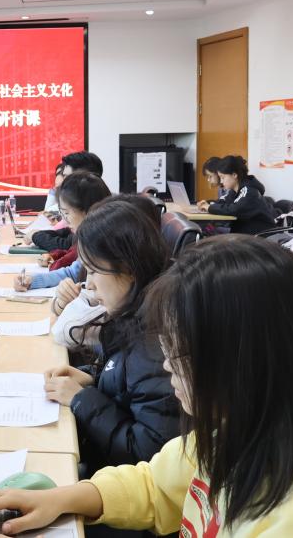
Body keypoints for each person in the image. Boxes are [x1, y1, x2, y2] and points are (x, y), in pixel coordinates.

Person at [0, 235, 293, 538]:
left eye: (179, 356)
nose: (166, 367)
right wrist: (64, 497)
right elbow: (158, 483)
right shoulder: (254, 419)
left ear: (243, 361)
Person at [40, 198, 180, 478]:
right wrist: (93, 381)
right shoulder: (137, 316)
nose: (89, 284)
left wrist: (82, 399)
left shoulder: (155, 345)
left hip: (118, 485)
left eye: (94, 271)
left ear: (128, 269)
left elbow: (147, 456)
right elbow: (132, 391)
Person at [31, 152, 105, 252]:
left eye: (66, 176)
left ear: (83, 177)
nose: (62, 181)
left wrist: (35, 236)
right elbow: (68, 235)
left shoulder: (100, 214)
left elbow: (69, 245)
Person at [196, 155, 274, 234]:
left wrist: (209, 207)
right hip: (244, 234)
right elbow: (222, 201)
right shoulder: (234, 191)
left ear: (234, 175)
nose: (221, 181)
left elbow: (233, 209)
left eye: (223, 177)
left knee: (207, 234)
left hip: (260, 236)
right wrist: (207, 204)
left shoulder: (249, 191)